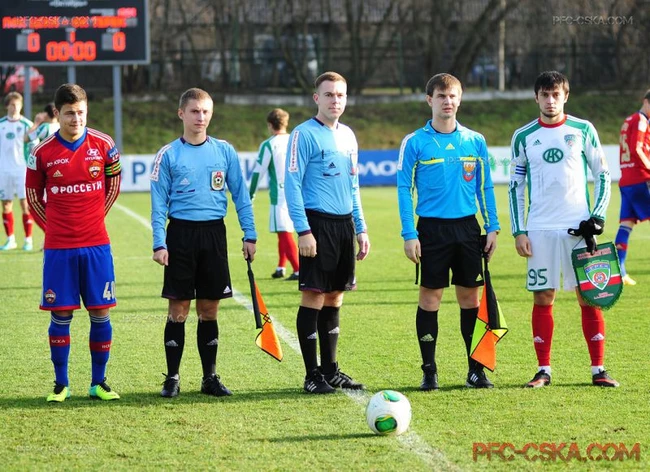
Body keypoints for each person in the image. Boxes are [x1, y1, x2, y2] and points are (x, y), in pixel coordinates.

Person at [509, 70, 619, 388]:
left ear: (565, 96)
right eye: (544, 94)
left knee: (590, 297)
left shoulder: (583, 130)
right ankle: (543, 370)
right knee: (544, 297)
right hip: (540, 229)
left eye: (556, 94)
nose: (550, 100)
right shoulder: (523, 136)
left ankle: (598, 369)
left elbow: (602, 174)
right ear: (536, 97)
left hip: (578, 229)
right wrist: (519, 231)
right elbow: (515, 186)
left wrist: (597, 216)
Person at [150, 88, 256, 398]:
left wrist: (249, 234)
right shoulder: (168, 154)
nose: (201, 117)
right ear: (181, 113)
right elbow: (158, 204)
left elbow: (241, 195)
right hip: (180, 235)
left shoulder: (224, 151)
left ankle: (209, 378)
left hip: (214, 235)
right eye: (195, 111)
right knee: (179, 309)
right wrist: (159, 243)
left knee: (209, 309)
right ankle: (172, 377)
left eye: (206, 111)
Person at [397, 73, 500, 391]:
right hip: (431, 230)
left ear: (460, 99)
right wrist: (409, 233)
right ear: (430, 100)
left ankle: (475, 370)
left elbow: (485, 187)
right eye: (441, 96)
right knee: (431, 298)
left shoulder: (475, 141)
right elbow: (403, 188)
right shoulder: (415, 142)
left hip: (467, 228)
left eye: (453, 96)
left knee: (470, 299)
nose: (447, 101)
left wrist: (492, 226)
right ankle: (429, 371)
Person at [25, 83, 122, 402]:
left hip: (96, 245)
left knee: (101, 311)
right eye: (69, 113)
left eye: (81, 112)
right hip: (59, 249)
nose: (76, 119)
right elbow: (33, 197)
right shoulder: (41, 152)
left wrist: (93, 219)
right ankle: (61, 384)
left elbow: (113, 184)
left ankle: (98, 382)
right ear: (57, 113)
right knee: (61, 314)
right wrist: (54, 228)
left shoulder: (105, 145)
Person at [284, 71, 370, 394]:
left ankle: (331, 370)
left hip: (344, 224)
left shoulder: (348, 135)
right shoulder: (303, 134)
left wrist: (360, 228)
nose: (335, 100)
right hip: (317, 224)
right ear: (316, 98)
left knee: (335, 295)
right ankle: (311, 375)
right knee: (314, 295)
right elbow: (291, 184)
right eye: (329, 94)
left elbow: (353, 186)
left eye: (340, 95)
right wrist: (303, 230)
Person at [249, 108, 300, 280]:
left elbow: (258, 172)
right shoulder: (295, 141)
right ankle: (281, 266)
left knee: (284, 231)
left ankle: (299, 270)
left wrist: (250, 195)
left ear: (270, 125)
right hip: (298, 191)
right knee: (284, 230)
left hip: (280, 193)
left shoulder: (269, 144)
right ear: (286, 123)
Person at [615, 89, 650, 286]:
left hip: (626, 180)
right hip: (641, 179)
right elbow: (637, 148)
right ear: (646, 101)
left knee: (626, 224)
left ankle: (620, 271)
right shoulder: (641, 120)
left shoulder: (629, 120)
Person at [0, 92, 36, 251]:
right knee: (6, 204)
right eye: (13, 104)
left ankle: (28, 240)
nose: (15, 107)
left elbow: (35, 147)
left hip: (22, 170)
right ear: (7, 106)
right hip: (4, 170)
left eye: (18, 105)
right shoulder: (1, 124)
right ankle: (10, 239)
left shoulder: (27, 124)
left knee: (25, 204)